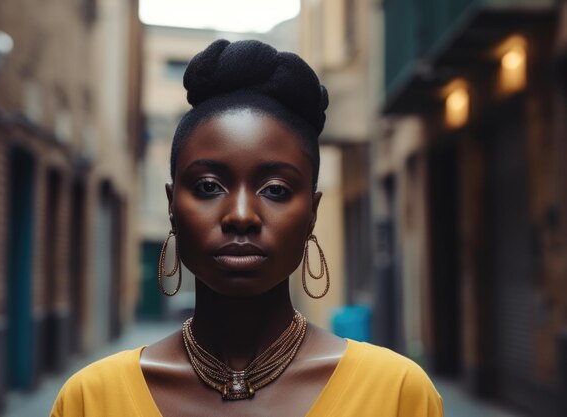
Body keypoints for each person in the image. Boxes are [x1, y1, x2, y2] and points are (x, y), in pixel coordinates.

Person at [50, 39, 443, 417]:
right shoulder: (91, 400)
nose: (241, 215)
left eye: (275, 190)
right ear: (172, 206)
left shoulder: (397, 394)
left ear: (312, 213)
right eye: (208, 186)